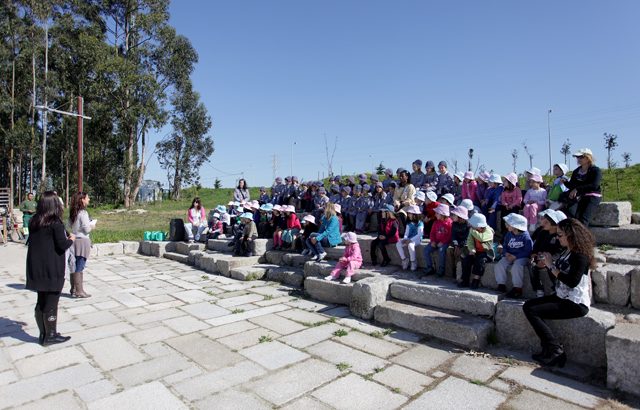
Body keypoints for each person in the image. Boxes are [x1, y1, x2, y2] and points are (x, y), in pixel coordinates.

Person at [523, 218, 595, 367]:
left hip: (575, 303)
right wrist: (546, 264)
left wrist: (550, 266)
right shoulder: (567, 251)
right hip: (562, 296)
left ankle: (555, 350)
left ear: (571, 235)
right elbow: (559, 271)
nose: (557, 237)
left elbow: (572, 281)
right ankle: (548, 349)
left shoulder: (580, 256)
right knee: (528, 306)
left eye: (560, 234)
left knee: (532, 310)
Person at [26, 191, 75, 345]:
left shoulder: (34, 220)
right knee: (52, 303)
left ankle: (43, 333)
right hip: (52, 268)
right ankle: (51, 335)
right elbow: (62, 245)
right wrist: (71, 239)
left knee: (41, 300)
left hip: (37, 267)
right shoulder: (55, 223)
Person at [559, 148, 602, 226]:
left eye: (581, 157)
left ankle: (582, 237)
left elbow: (594, 185)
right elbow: (573, 185)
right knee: (572, 217)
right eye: (577, 157)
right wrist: (565, 183)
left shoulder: (595, 170)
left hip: (592, 196)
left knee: (583, 219)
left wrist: (577, 189)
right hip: (579, 196)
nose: (578, 159)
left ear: (588, 157)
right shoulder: (576, 171)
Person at [494, 213, 533, 298]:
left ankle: (517, 288)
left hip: (521, 257)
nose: (506, 225)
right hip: (509, 255)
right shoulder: (509, 234)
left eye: (508, 224)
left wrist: (516, 257)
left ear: (516, 226)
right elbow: (505, 246)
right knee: (500, 265)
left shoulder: (525, 237)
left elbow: (528, 250)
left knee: (517, 267)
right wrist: (506, 253)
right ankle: (501, 284)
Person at [529, 209, 567, 297]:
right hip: (541, 257)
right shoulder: (542, 233)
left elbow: (560, 252)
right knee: (531, 265)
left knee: (552, 267)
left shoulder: (559, 237)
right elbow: (536, 246)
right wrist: (534, 254)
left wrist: (548, 261)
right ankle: (538, 288)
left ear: (554, 225)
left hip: (552, 259)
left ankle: (555, 289)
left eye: (546, 222)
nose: (543, 224)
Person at [68, 191, 96, 299]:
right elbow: (87, 229)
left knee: (73, 264)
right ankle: (79, 290)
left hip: (74, 240)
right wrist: (92, 225)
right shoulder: (83, 213)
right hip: (83, 240)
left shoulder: (73, 212)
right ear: (82, 200)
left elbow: (68, 225)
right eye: (87, 198)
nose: (88, 199)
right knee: (80, 265)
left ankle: (73, 289)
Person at [459, 213, 495, 289]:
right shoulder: (473, 230)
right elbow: (469, 241)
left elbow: (482, 238)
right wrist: (472, 249)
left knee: (480, 261)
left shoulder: (489, 230)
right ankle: (465, 280)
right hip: (476, 251)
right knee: (466, 260)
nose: (471, 225)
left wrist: (472, 231)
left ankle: (476, 279)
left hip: (486, 253)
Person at [422, 204, 452, 277]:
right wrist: (433, 241)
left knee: (441, 251)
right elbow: (432, 233)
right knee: (426, 250)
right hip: (436, 241)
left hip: (445, 242)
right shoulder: (436, 222)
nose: (435, 214)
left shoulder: (450, 223)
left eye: (437, 213)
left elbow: (450, 235)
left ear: (442, 214)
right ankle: (429, 267)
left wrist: (443, 242)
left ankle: (441, 269)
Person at [396, 205, 424, 271]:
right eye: (408, 214)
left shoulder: (420, 223)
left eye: (410, 214)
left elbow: (420, 234)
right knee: (398, 244)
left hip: (417, 239)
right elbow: (406, 233)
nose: (409, 215)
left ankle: (413, 261)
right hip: (409, 239)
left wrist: (410, 240)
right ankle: (404, 259)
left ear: (415, 214)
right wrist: (405, 239)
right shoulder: (408, 223)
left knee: (411, 245)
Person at [448, 205, 470, 282]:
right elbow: (453, 236)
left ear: (460, 217)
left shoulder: (468, 225)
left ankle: (459, 274)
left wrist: (460, 246)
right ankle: (453, 269)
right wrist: (456, 245)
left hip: (465, 245)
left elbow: (468, 239)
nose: (452, 216)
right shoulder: (454, 224)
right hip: (456, 244)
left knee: (461, 254)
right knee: (449, 250)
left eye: (454, 215)